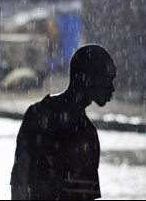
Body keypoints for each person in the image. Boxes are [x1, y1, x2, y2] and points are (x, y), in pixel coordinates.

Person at [10, 44, 116, 200]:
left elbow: (19, 179)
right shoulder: (86, 133)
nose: (112, 89)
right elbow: (83, 195)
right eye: (107, 80)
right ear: (88, 79)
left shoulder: (38, 113)